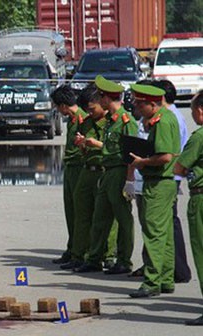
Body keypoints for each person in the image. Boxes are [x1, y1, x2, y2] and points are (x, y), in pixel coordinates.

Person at [74, 75, 138, 274]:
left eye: (101, 96)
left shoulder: (126, 121)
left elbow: (131, 153)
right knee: (100, 217)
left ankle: (123, 260)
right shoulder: (111, 121)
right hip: (107, 172)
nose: (99, 100)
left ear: (107, 97)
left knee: (122, 219)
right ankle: (94, 258)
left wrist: (129, 179)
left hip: (119, 171)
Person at [130, 80, 192, 283]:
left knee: (154, 233)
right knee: (163, 233)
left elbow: (166, 156)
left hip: (159, 182)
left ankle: (153, 280)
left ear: (152, 103)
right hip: (162, 181)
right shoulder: (164, 117)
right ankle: (165, 278)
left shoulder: (163, 121)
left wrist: (142, 162)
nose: (137, 108)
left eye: (140, 104)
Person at [59, 84, 110, 270]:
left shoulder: (113, 122)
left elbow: (116, 149)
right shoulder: (86, 122)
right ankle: (79, 255)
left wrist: (96, 144)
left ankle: (107, 255)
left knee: (104, 218)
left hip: (104, 171)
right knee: (80, 215)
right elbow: (81, 148)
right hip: (87, 169)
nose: (90, 112)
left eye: (92, 108)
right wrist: (83, 145)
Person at [49, 85, 88, 264]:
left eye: (58, 106)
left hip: (80, 168)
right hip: (71, 168)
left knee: (80, 213)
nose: (58, 110)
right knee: (70, 212)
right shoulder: (72, 120)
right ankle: (72, 248)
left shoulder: (83, 119)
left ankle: (80, 252)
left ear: (64, 105)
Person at [174, 90, 203, 325]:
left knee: (202, 252)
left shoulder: (199, 137)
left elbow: (179, 168)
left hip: (201, 198)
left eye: (193, 111)